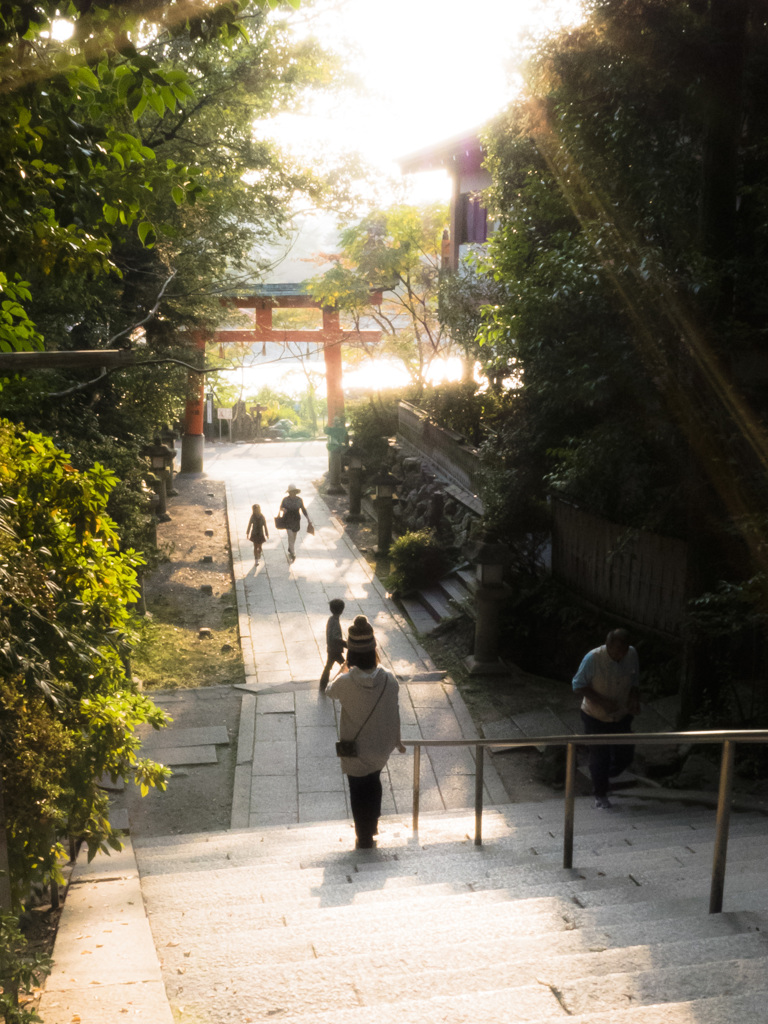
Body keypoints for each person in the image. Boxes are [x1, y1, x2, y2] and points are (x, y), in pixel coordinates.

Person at [326, 615, 406, 848]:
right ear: (373, 651)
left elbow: (330, 691)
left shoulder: (345, 682)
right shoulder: (390, 680)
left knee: (357, 787)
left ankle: (363, 834)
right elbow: (394, 711)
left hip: (356, 748)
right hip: (381, 747)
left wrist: (342, 670)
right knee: (374, 781)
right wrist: (397, 741)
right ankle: (372, 825)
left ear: (350, 653)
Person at [572, 628, 641, 809]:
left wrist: (634, 699)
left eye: (624, 650)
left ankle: (603, 776)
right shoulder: (593, 658)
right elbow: (578, 685)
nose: (621, 655)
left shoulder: (632, 654)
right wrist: (602, 701)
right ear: (608, 645)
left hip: (621, 714)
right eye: (617, 651)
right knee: (599, 755)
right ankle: (600, 793)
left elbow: (634, 680)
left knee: (625, 754)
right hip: (595, 715)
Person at [278, 484, 312, 562]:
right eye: (291, 492)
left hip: (296, 520)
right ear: (289, 492)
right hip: (288, 520)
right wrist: (283, 509)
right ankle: (293, 553)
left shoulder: (299, 500)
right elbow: (281, 507)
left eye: (294, 492)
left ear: (296, 492)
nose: (292, 493)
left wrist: (308, 519)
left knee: (294, 536)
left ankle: (290, 548)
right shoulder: (285, 500)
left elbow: (303, 509)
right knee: (290, 536)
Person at [320, 598, 346, 692]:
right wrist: (345, 644)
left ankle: (323, 683)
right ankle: (347, 681)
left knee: (329, 666)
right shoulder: (334, 621)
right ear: (341, 610)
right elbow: (335, 638)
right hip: (335, 649)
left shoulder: (331, 619)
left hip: (331, 649)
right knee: (345, 665)